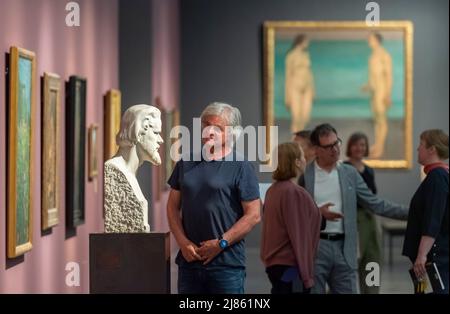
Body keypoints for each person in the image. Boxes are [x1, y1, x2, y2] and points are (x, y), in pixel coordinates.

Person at [299, 123, 408, 294]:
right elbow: (297, 214)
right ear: (317, 150)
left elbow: (375, 203)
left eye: (337, 143)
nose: (335, 149)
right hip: (316, 248)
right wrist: (317, 214)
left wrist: (412, 213)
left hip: (345, 248)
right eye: (328, 147)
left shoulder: (349, 173)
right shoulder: (306, 176)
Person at [166, 102, 261, 294]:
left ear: (232, 133)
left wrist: (221, 243)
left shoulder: (241, 166)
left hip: (226, 265)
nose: (209, 132)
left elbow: (253, 215)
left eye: (217, 128)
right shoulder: (186, 162)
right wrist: (182, 242)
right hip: (189, 263)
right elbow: (172, 207)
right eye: (205, 125)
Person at [261, 142, 321, 294]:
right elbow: (299, 236)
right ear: (296, 162)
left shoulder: (272, 191)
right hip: (291, 267)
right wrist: (307, 276)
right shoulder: (294, 193)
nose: (305, 159)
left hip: (274, 266)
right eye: (302, 156)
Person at [403, 129, 449, 294]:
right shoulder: (440, 174)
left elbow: (433, 220)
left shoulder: (437, 177)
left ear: (432, 149)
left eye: (421, 145)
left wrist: (422, 255)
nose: (417, 149)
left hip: (437, 256)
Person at [104, 104, 163, 233]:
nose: (161, 140)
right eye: (156, 133)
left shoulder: (130, 173)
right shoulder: (114, 169)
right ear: (139, 133)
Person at [344, 132, 381, 294]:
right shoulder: (344, 168)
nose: (359, 148)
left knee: (372, 259)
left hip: (370, 218)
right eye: (356, 144)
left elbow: (372, 195)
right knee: (351, 262)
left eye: (363, 145)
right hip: (353, 219)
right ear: (349, 147)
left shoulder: (369, 170)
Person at [362, 32, 393, 159]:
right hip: (374, 92)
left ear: (377, 40)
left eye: (371, 39)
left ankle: (381, 147)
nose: (369, 40)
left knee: (381, 118)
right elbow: (372, 76)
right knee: (376, 120)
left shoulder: (384, 55)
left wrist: (387, 95)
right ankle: (377, 144)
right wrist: (367, 86)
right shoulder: (372, 56)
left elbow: (388, 76)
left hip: (381, 91)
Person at [285, 34, 315, 133]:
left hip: (307, 86)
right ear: (300, 42)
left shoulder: (306, 55)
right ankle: (295, 136)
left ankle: (300, 134)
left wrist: (313, 90)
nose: (307, 44)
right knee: (296, 115)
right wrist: (287, 96)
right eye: (306, 41)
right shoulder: (291, 55)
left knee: (306, 114)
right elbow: (288, 75)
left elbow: (310, 73)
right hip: (295, 86)